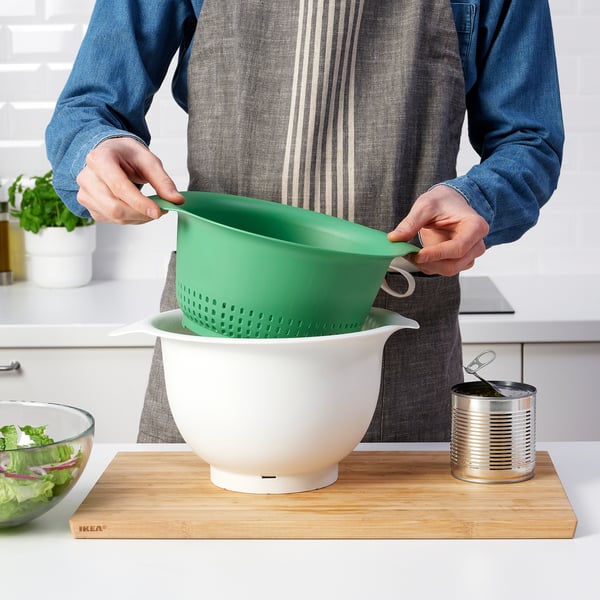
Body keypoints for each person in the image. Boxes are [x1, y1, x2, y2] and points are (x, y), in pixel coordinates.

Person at [46, 0, 563, 443]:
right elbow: (88, 108)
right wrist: (95, 151)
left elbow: (530, 140)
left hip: (398, 356)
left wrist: (481, 201)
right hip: (215, 341)